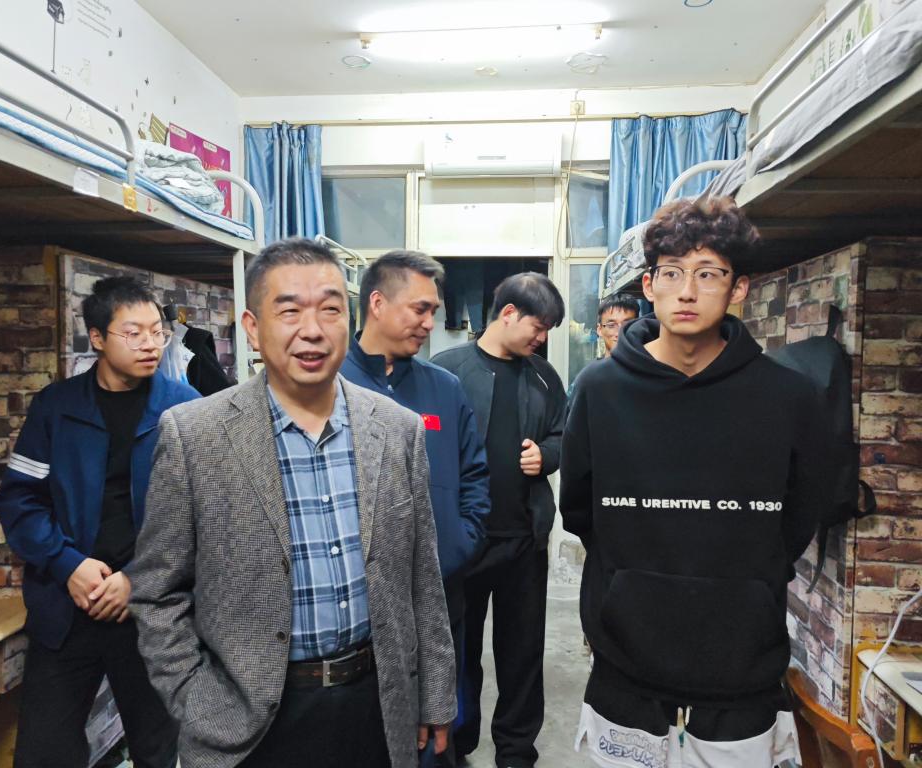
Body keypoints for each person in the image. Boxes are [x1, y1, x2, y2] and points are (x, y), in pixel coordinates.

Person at [129, 237, 457, 768]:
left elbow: (423, 577)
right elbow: (157, 592)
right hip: (251, 721)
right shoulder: (195, 435)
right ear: (252, 327)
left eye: (330, 309)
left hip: (375, 705)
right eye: (289, 311)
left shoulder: (398, 429)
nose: (312, 329)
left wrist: (435, 695)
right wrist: (197, 700)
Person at [561, 197, 826, 768]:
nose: (687, 292)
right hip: (625, 669)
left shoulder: (788, 397)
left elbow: (798, 519)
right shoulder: (599, 390)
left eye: (708, 274)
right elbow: (580, 510)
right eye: (672, 273)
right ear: (649, 286)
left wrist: (742, 586)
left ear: (738, 289)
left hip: (741, 673)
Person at [0, 276, 199, 768]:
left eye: (157, 332)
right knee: (44, 751)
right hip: (67, 608)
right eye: (134, 333)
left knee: (160, 752)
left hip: (152, 613)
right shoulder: (57, 408)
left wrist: (138, 580)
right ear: (98, 338)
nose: (150, 344)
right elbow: (19, 500)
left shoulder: (186, 409)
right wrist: (68, 565)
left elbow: (204, 519)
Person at [340, 250, 490, 767]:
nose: (430, 324)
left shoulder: (443, 388)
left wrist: (458, 545)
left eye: (433, 311)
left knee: (439, 728)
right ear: (377, 303)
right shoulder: (330, 384)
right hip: (358, 606)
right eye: (420, 309)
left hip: (440, 593)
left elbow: (475, 476)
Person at [432, 272, 567, 768]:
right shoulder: (447, 372)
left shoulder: (544, 376)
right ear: (508, 313)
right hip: (464, 544)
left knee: (522, 655)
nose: (542, 338)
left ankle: (515, 751)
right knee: (458, 654)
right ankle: (458, 743)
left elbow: (564, 433)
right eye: (539, 325)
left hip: (523, 542)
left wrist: (547, 455)